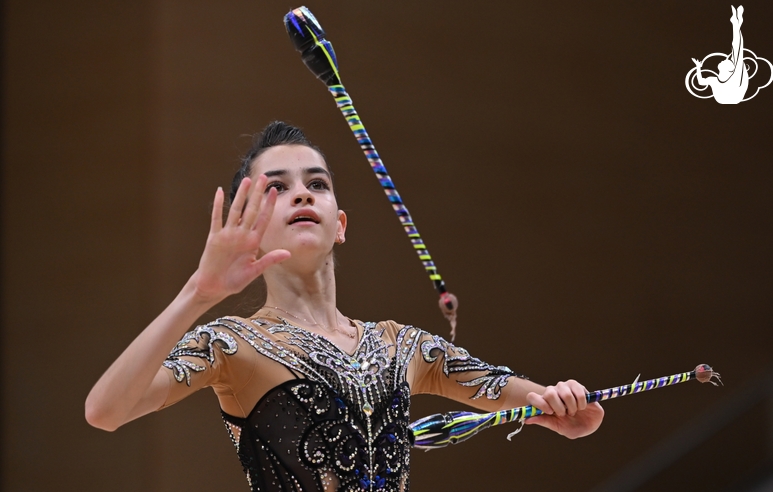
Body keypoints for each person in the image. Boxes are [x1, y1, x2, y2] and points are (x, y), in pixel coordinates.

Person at [85, 121, 604, 491]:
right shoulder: (231, 344)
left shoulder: (404, 346)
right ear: (250, 230)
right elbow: (106, 411)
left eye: (317, 184)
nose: (302, 195)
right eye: (277, 188)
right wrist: (198, 291)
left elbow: (546, 404)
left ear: (341, 224)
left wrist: (567, 407)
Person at [692, 5, 748, 104]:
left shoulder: (720, 79)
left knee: (737, 51)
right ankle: (736, 24)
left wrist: (698, 67)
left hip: (731, 96)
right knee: (737, 52)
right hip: (731, 97)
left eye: (727, 61)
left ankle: (736, 24)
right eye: (728, 60)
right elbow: (700, 82)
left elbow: (701, 82)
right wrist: (698, 67)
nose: (724, 59)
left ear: (728, 69)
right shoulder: (718, 79)